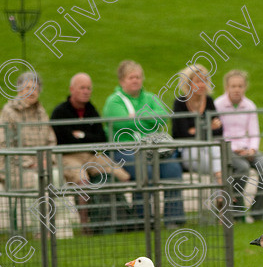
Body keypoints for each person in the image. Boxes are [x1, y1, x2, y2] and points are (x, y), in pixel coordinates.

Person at [102, 60, 184, 223]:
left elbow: (162, 117)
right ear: (122, 81)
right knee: (143, 171)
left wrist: (135, 117)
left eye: (138, 77)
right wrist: (147, 117)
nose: (135, 80)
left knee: (173, 170)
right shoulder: (114, 101)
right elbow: (120, 122)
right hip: (125, 150)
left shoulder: (150, 97)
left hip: (153, 148)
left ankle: (173, 219)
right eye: (131, 77)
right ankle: (143, 219)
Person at [50, 73, 132, 231]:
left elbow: (100, 138)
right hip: (68, 155)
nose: (86, 91)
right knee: (83, 182)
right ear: (72, 89)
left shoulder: (91, 110)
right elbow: (64, 138)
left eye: (88, 88)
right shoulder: (60, 111)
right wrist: (86, 138)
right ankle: (85, 226)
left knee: (124, 176)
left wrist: (80, 134)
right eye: (82, 88)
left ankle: (125, 218)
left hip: (91, 154)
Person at [215, 69, 263, 222]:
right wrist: (234, 149)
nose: (237, 89)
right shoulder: (218, 105)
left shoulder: (249, 105)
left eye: (240, 86)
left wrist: (252, 150)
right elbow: (218, 133)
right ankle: (236, 213)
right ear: (227, 87)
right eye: (233, 86)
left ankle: (258, 213)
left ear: (245, 87)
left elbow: (254, 132)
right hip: (227, 148)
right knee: (242, 169)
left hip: (247, 148)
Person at [0, 72, 55, 191]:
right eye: (28, 88)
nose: (32, 91)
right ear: (19, 90)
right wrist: (30, 163)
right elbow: (6, 145)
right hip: (14, 166)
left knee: (57, 178)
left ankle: (61, 210)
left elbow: (51, 140)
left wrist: (46, 160)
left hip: (42, 164)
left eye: (35, 88)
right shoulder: (9, 112)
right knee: (36, 181)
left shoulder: (41, 112)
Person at [171, 64, 224, 183]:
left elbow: (219, 130)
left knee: (216, 150)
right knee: (219, 165)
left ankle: (220, 194)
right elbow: (182, 133)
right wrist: (209, 127)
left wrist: (196, 129)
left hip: (207, 146)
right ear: (188, 83)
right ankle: (222, 186)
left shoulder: (209, 101)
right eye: (198, 81)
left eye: (204, 81)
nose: (202, 85)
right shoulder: (180, 103)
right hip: (188, 149)